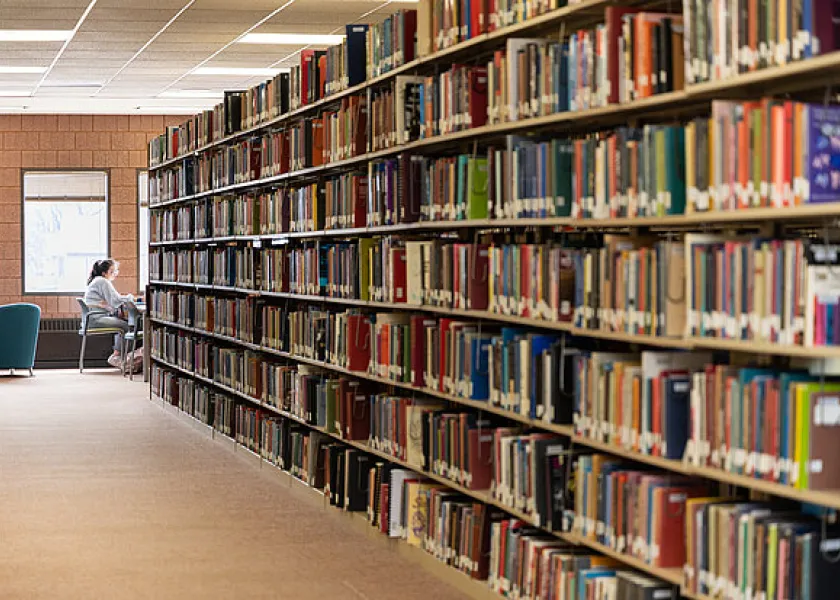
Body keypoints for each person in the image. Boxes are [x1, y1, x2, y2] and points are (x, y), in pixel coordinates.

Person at [84, 259, 135, 369]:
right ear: (104, 273)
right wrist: (130, 298)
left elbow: (111, 301)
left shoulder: (97, 280)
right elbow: (115, 300)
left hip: (92, 317)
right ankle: (117, 357)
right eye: (112, 271)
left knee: (121, 323)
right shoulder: (103, 281)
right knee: (126, 326)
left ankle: (118, 355)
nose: (115, 274)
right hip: (96, 318)